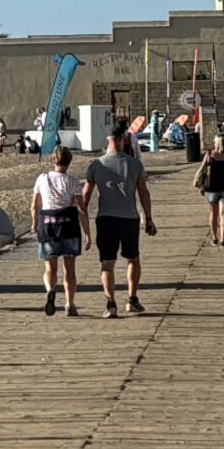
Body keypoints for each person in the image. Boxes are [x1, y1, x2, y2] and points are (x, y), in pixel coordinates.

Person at [80, 131, 155, 318]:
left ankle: (111, 303)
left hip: (106, 218)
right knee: (133, 258)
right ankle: (132, 299)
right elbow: (144, 193)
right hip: (129, 217)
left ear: (107, 140)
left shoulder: (96, 165)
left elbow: (85, 195)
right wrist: (149, 218)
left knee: (107, 263)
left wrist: (82, 219)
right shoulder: (134, 164)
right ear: (123, 140)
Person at [31, 146, 85, 317]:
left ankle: (50, 289)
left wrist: (34, 224)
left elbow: (34, 206)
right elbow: (81, 208)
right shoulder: (73, 182)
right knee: (69, 270)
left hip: (48, 226)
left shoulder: (42, 178)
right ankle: (70, 304)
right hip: (68, 226)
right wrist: (88, 234)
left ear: (54, 160)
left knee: (50, 268)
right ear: (69, 162)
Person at [194, 135, 224, 247]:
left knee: (213, 213)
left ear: (216, 143)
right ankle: (223, 239)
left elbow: (202, 170)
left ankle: (214, 237)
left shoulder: (209, 156)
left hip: (211, 188)